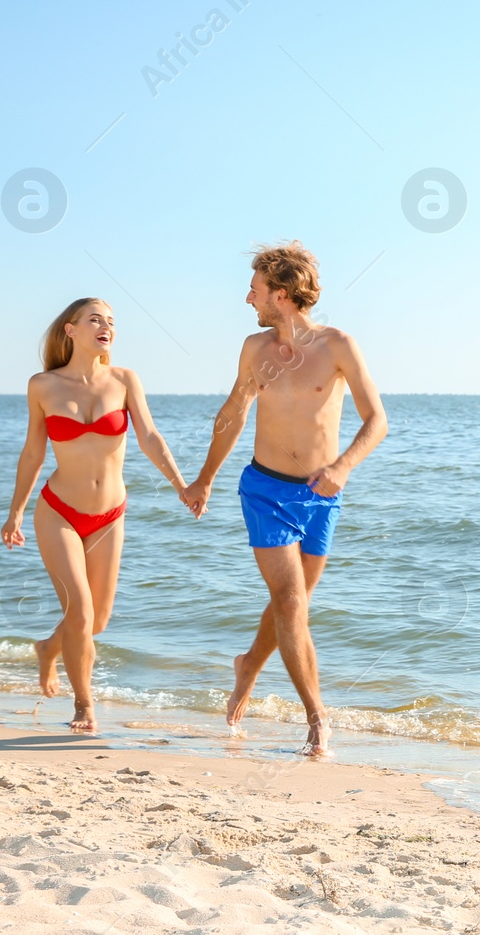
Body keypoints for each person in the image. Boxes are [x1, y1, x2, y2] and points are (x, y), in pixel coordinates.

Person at [181, 242, 387, 756]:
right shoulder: (256, 350)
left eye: (254, 290)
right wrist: (205, 477)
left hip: (319, 496)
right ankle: (318, 720)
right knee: (291, 601)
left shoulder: (337, 345)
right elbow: (233, 413)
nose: (247, 300)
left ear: (282, 294)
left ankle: (249, 663)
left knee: (293, 603)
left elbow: (376, 420)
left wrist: (342, 467)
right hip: (265, 490)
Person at [1, 298, 190, 732]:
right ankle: (84, 706)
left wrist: (182, 485)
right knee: (81, 613)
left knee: (96, 621)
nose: (106, 326)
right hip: (58, 512)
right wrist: (14, 513)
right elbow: (33, 453)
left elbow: (150, 437)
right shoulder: (43, 386)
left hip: (110, 515)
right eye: (95, 319)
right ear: (71, 330)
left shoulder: (124, 380)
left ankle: (49, 647)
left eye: (111, 321)